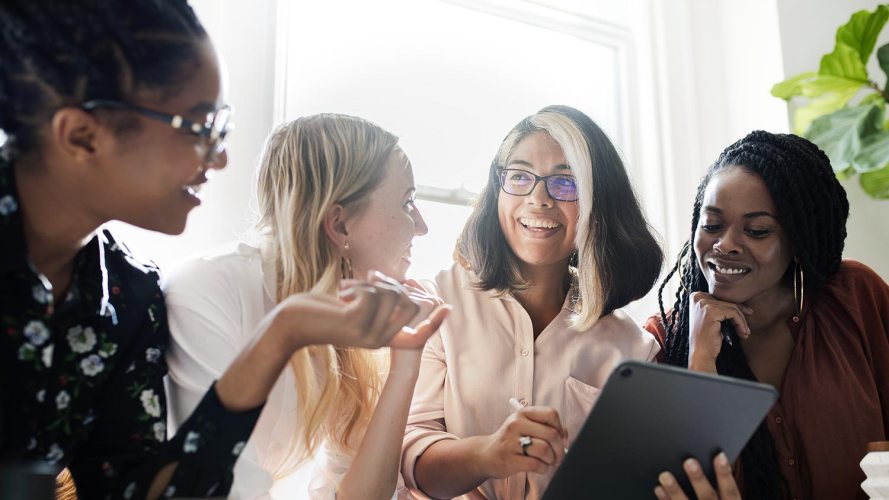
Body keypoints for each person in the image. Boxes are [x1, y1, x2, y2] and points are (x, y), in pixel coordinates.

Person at [0, 2, 433, 498]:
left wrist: (279, 336)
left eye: (220, 130)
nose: (222, 157)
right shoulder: (191, 288)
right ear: (82, 135)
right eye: (198, 129)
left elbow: (141, 490)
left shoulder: (126, 294)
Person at [164, 113, 449, 499]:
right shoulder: (207, 292)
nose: (422, 226)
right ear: (340, 224)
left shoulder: (348, 319)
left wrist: (407, 359)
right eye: (407, 202)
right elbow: (218, 489)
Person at [401, 105, 664, 499]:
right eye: (520, 177)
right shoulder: (435, 305)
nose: (539, 199)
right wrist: (487, 455)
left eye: (565, 182)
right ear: (497, 191)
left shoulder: (633, 349)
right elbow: (409, 456)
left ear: (599, 202)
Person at [647, 131, 889, 500]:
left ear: (798, 238)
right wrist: (700, 361)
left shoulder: (855, 298)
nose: (724, 244)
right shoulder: (665, 341)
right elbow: (681, 485)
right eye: (711, 225)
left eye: (756, 230)